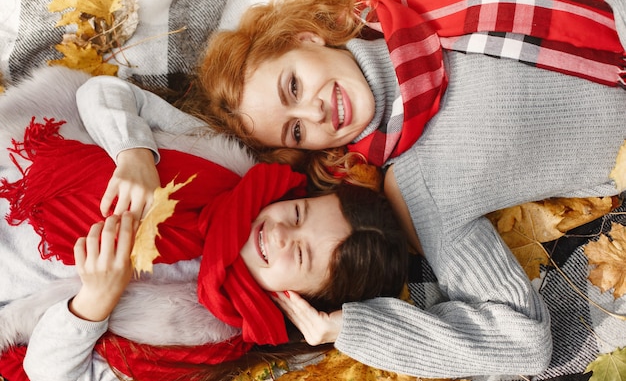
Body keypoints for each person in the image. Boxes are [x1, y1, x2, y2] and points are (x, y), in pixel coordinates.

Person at [71, 0, 626, 378]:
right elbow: (525, 343)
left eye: (292, 86)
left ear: (308, 36)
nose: (312, 112)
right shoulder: (419, 189)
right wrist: (351, 330)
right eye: (294, 132)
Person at [0, 67, 408, 381]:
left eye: (299, 254)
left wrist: (92, 304)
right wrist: (135, 153)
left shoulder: (201, 340)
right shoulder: (223, 166)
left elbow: (51, 373)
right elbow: (100, 91)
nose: (281, 233)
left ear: (301, 301)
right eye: (298, 215)